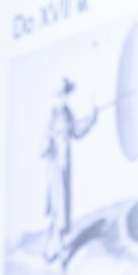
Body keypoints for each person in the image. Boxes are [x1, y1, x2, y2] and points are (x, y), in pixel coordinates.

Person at [41, 77, 99, 262]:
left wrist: (91, 117)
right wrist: (49, 145)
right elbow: (43, 143)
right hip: (55, 167)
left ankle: (57, 249)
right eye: (61, 95)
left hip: (65, 165)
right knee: (56, 208)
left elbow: (76, 130)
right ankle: (53, 250)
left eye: (66, 94)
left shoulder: (67, 113)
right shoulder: (52, 116)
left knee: (63, 206)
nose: (64, 98)